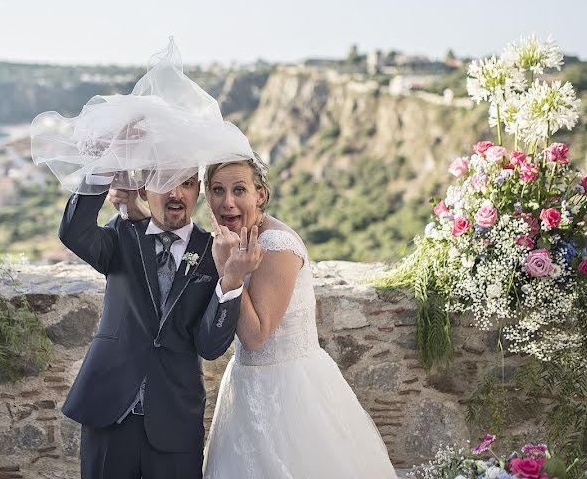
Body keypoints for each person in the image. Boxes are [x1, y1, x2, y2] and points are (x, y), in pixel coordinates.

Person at [198, 155, 399, 478]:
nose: (228, 202)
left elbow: (255, 336)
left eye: (239, 190)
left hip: (290, 393)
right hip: (243, 390)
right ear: (207, 194)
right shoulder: (230, 240)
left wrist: (228, 270)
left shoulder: (276, 246)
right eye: (218, 190)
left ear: (260, 195)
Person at [59, 170, 263, 479]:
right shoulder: (121, 235)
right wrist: (101, 171)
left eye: (187, 183)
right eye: (163, 183)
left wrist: (231, 279)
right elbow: (74, 231)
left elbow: (210, 346)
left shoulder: (215, 253)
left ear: (198, 193)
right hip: (108, 411)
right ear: (142, 189)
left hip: (175, 420)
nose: (176, 194)